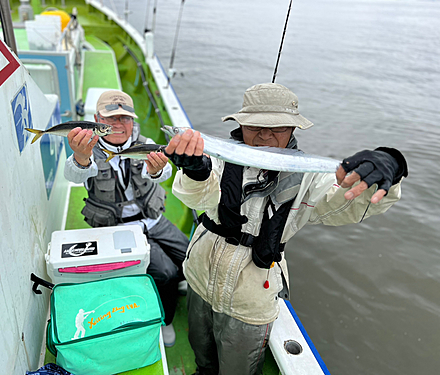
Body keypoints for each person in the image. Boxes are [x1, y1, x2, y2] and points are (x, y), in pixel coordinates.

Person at [164, 83, 408, 374]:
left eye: (279, 127)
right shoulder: (218, 155)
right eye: (255, 125)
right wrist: (195, 170)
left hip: (251, 298)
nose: (265, 134)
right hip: (200, 275)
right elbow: (194, 197)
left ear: (294, 130)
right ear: (240, 123)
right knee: (201, 352)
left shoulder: (309, 176)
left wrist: (391, 163)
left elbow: (347, 204)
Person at [64, 89, 189, 347]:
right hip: (117, 227)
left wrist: (157, 170)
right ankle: (165, 320)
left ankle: (179, 280)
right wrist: (79, 157)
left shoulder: (144, 142)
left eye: (125, 118)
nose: (118, 124)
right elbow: (74, 175)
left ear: (133, 121)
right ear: (97, 119)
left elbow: (165, 172)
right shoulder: (88, 148)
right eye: (110, 119)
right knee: (165, 272)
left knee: (190, 254)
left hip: (153, 217)